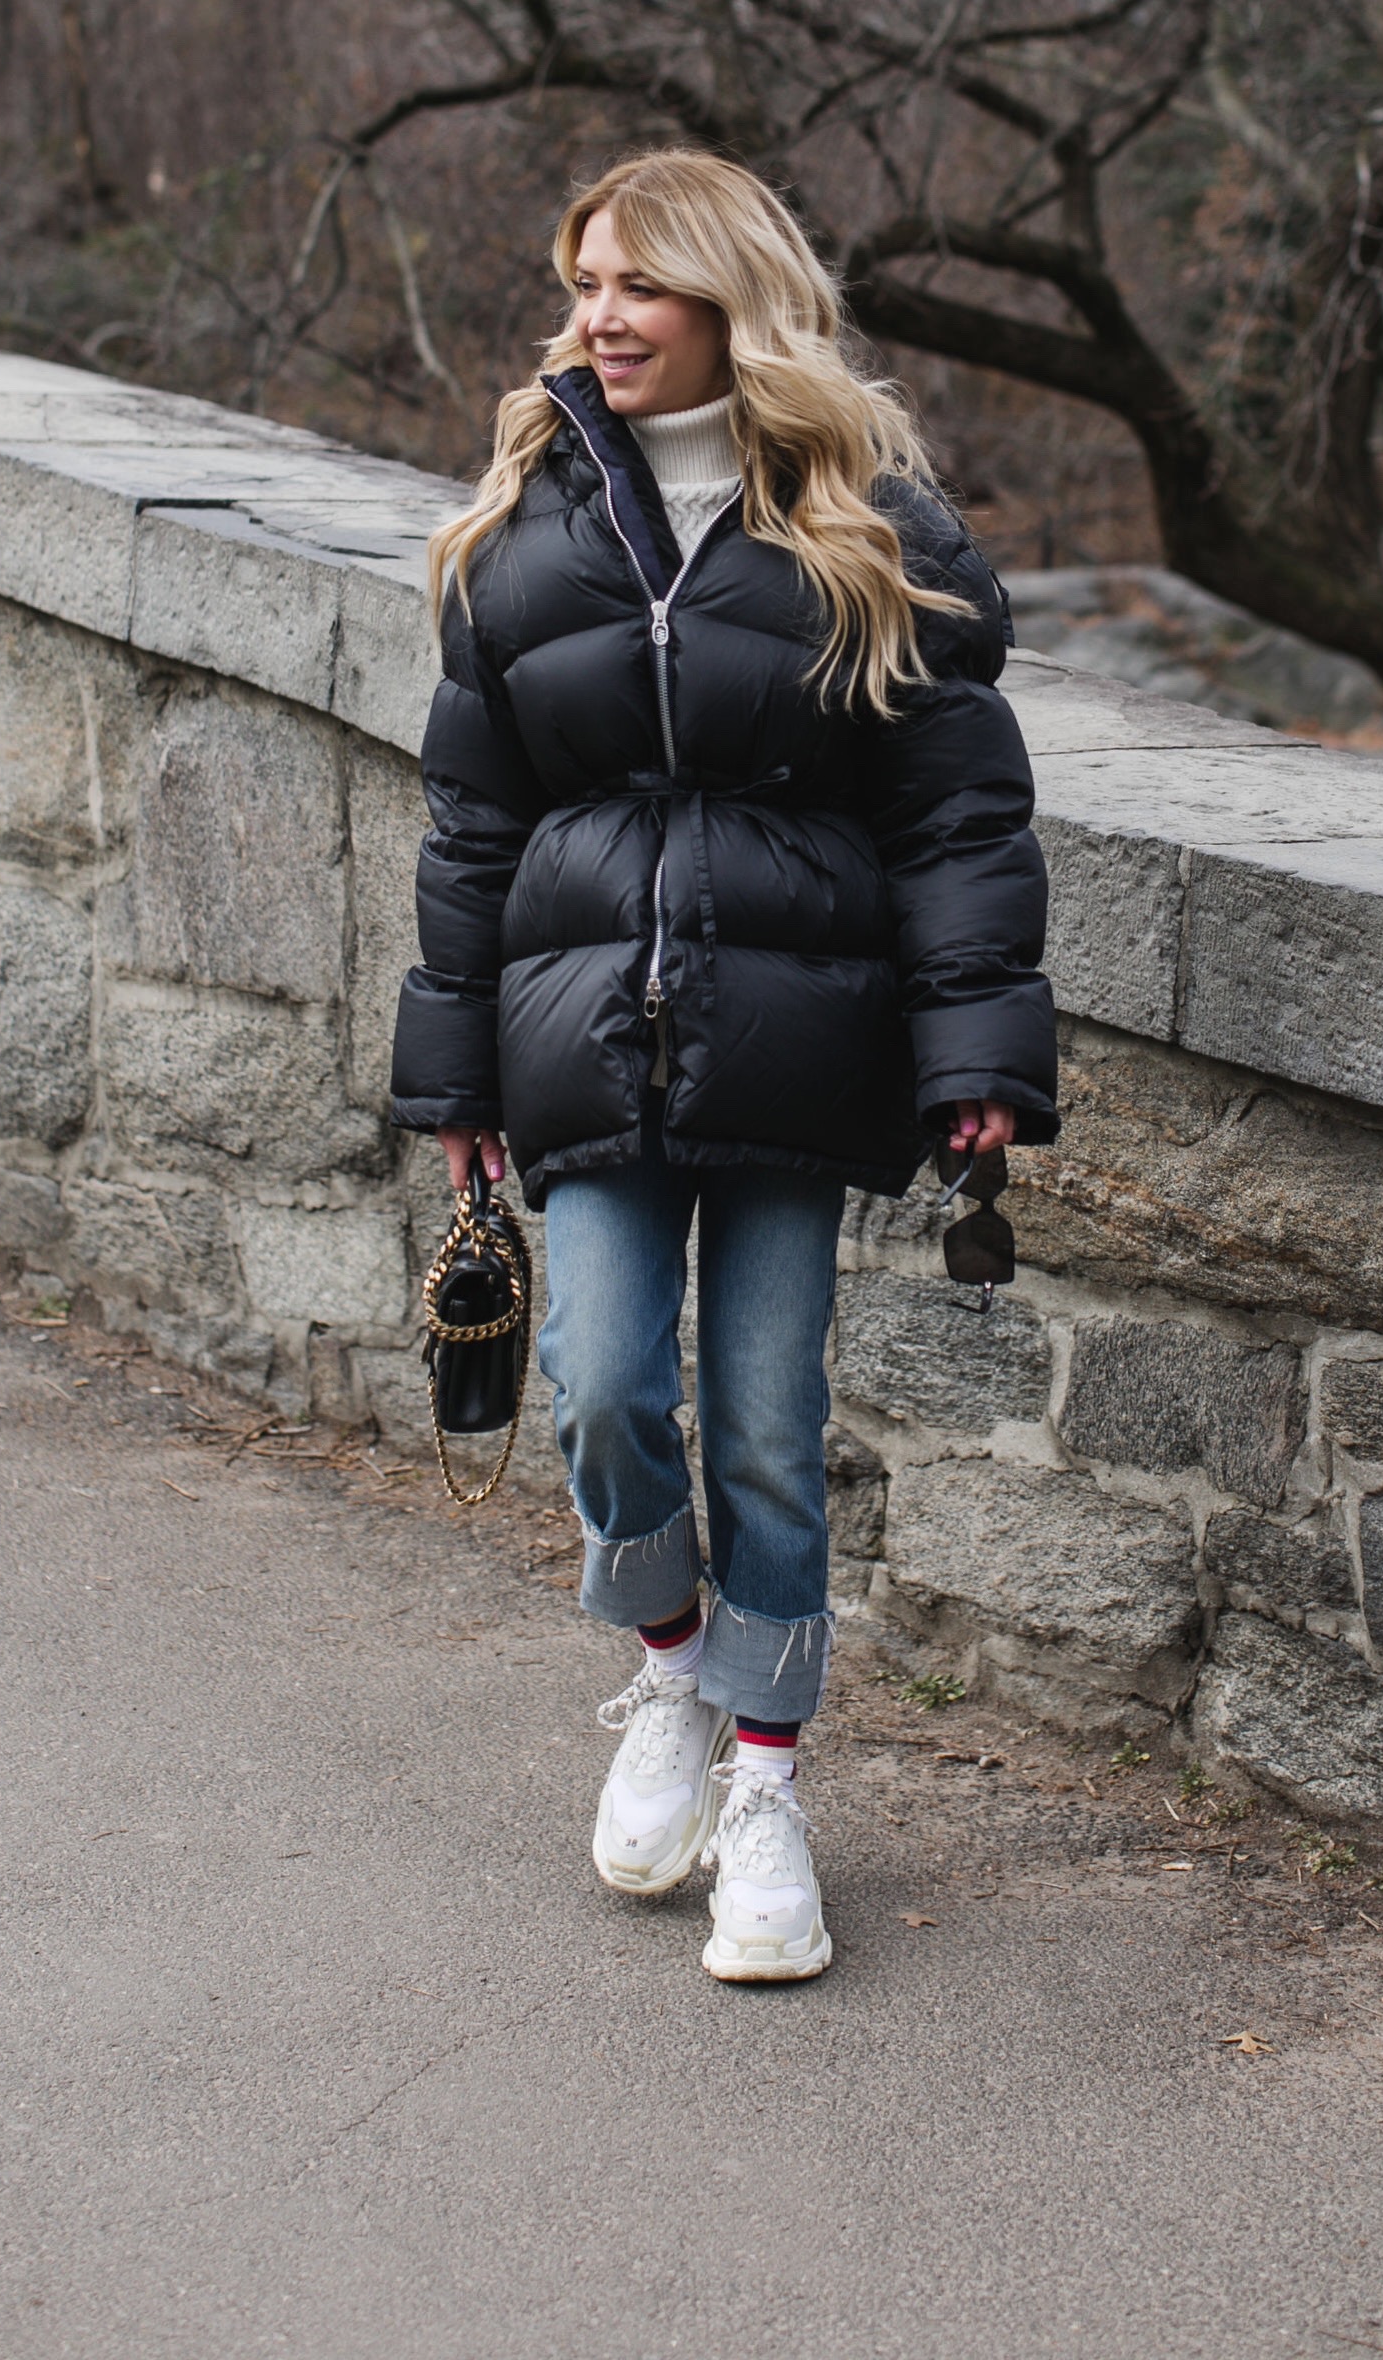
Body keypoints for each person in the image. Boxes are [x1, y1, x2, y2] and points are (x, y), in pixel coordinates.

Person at [389, 151, 1058, 1981]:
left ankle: (767, 1791)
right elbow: (469, 828)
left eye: (636, 287)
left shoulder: (867, 530)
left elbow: (958, 821)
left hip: (802, 1038)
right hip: (581, 1039)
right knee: (607, 1387)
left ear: (728, 307)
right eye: (581, 280)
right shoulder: (529, 524)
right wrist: (452, 1081)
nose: (595, 317)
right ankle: (670, 1669)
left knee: (768, 1422)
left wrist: (976, 1055)